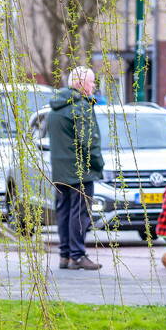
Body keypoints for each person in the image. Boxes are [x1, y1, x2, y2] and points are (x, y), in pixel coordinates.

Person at [47, 66, 105, 270]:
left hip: (60, 170)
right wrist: (99, 165)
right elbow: (89, 142)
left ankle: (65, 255)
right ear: (81, 84)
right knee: (80, 213)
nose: (94, 86)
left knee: (63, 211)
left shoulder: (55, 108)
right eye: (92, 82)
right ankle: (78, 255)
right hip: (80, 170)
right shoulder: (80, 107)